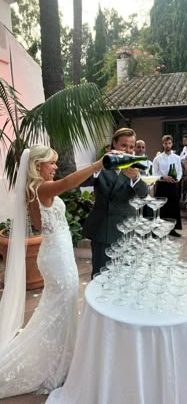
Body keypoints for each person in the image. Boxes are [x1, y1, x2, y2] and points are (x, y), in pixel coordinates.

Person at [0, 145, 104, 399]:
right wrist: (98, 164)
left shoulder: (33, 189)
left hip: (56, 251)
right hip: (56, 256)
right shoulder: (42, 188)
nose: (56, 167)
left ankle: (62, 357)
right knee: (60, 306)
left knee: (60, 307)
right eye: (51, 163)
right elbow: (69, 182)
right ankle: (57, 363)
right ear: (37, 166)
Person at [82, 128, 148, 278]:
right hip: (102, 228)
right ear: (114, 144)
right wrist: (99, 166)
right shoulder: (102, 165)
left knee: (125, 275)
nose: (128, 150)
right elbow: (81, 181)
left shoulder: (137, 167)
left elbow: (144, 194)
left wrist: (135, 179)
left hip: (127, 230)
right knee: (101, 275)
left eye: (131, 147)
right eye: (124, 146)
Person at [153, 134, 182, 237]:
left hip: (173, 185)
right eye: (165, 143)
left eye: (169, 143)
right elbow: (154, 172)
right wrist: (163, 177)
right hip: (162, 185)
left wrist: (177, 178)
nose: (167, 145)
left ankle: (172, 229)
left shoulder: (177, 158)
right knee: (162, 207)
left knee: (173, 207)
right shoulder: (157, 159)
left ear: (172, 144)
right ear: (163, 144)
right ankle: (159, 230)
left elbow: (179, 171)